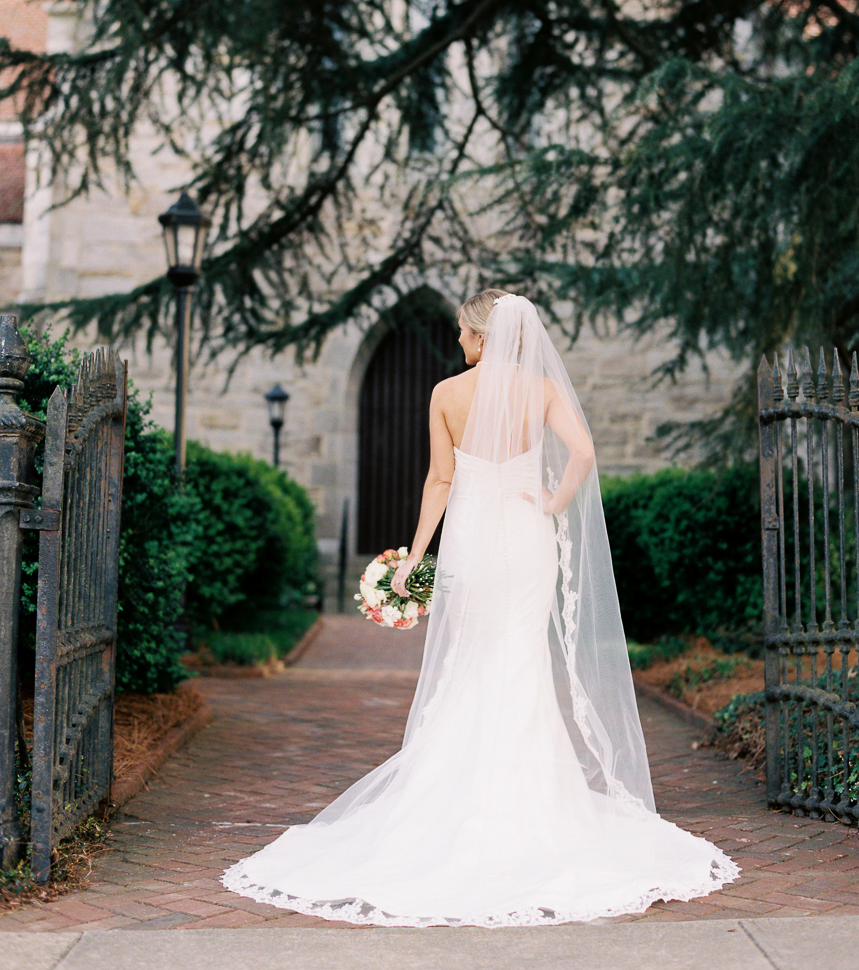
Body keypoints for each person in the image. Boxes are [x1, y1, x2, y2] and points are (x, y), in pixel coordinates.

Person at [223, 290, 740, 926]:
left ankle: (455, 803)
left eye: (464, 335)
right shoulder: (542, 389)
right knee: (521, 659)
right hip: (526, 538)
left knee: (470, 661)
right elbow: (584, 453)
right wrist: (552, 504)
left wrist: (415, 557)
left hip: (470, 537)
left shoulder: (446, 394)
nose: (460, 345)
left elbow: (440, 480)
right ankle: (535, 808)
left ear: (481, 336)